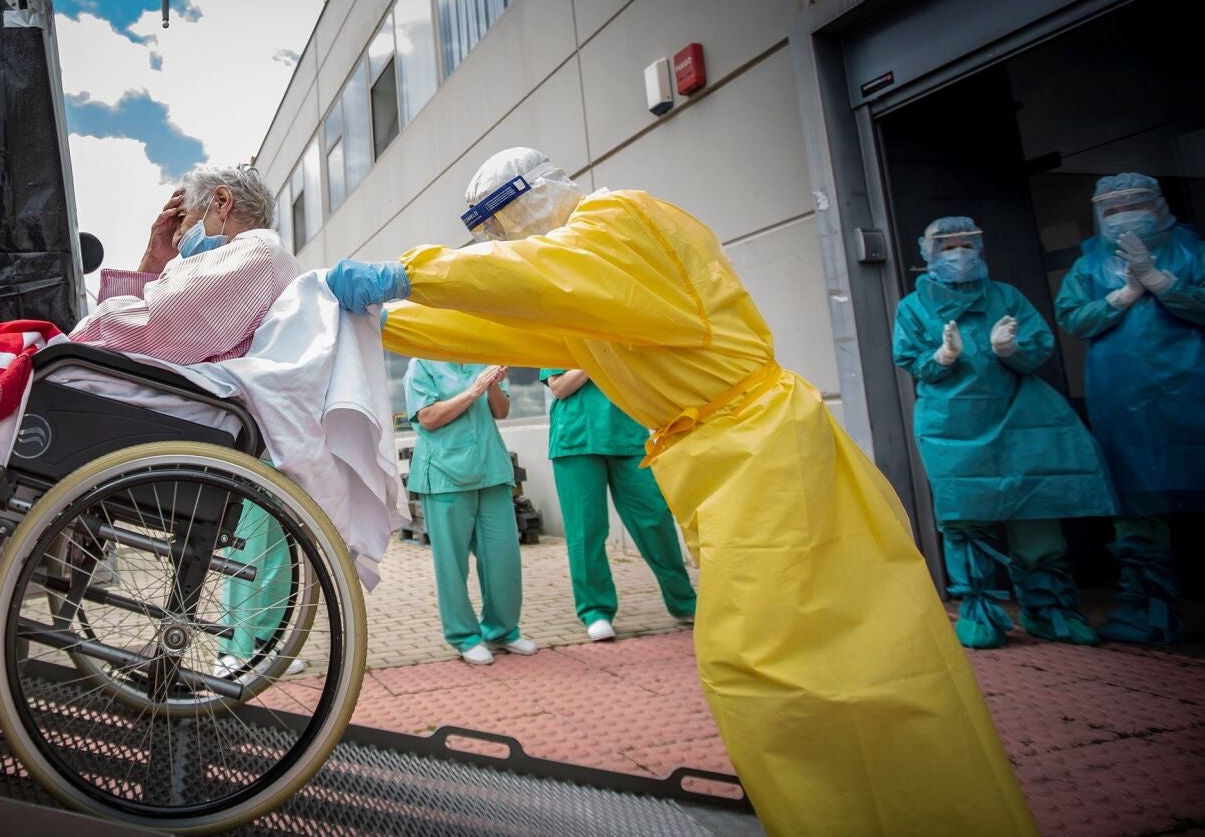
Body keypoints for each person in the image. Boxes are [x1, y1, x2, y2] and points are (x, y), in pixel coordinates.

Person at [326, 148, 1034, 836]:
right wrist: (391, 321)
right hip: (734, 463)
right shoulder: (595, 287)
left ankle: (906, 813)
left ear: (533, 197)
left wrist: (407, 275)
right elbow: (510, 324)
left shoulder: (619, 221)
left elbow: (536, 276)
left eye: (501, 226)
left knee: (788, 664)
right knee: (793, 663)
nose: (503, 243)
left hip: (766, 458)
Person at [892, 217, 1115, 649]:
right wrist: (942, 357)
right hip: (951, 423)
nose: (959, 254)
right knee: (966, 517)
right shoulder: (914, 307)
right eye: (948, 247)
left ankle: (1048, 610)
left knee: (1034, 510)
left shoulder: (1006, 297)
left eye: (966, 245)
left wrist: (1010, 350)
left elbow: (1037, 347)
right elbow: (911, 359)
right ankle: (980, 615)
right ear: (929, 254)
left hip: (1018, 415)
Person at [1055, 172, 1205, 644]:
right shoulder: (1090, 263)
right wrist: (1120, 298)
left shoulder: (1192, 252)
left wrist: (1164, 283)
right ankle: (1148, 608)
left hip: (1191, 386)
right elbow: (1073, 317)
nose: (1124, 216)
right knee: (1135, 496)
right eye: (1113, 209)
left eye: (1134, 204)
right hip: (1121, 395)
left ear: (1158, 204)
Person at [70, 165, 298, 364]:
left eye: (181, 217)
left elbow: (147, 332)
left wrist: (89, 325)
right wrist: (154, 259)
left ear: (222, 202)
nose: (175, 239)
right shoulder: (253, 259)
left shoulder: (256, 253)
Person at [538, 368, 696, 642]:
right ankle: (595, 610)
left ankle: (683, 601)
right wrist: (595, 355)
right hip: (577, 438)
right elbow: (560, 388)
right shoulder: (564, 340)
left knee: (655, 519)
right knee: (586, 529)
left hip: (628, 434)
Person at [404, 358, 538, 665]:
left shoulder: (481, 357)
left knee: (503, 558)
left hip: (491, 470)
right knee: (452, 565)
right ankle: (464, 636)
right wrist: (474, 390)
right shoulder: (421, 363)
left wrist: (492, 386)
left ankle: (502, 631)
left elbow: (501, 412)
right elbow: (427, 417)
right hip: (444, 475)